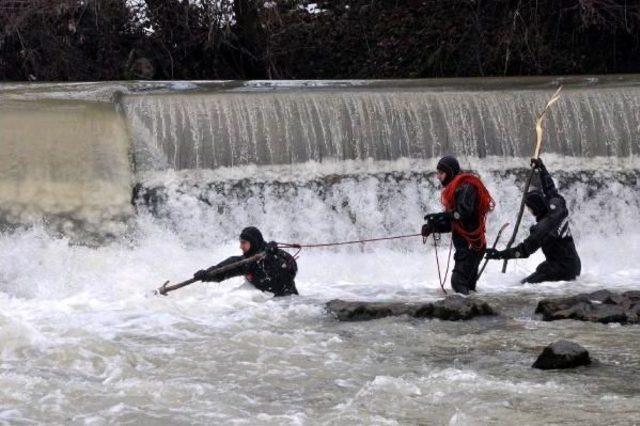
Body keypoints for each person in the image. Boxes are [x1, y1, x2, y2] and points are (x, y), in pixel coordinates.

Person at [485, 158, 581, 283]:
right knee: (541, 269)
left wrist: (499, 255)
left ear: (535, 209)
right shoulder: (558, 206)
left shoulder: (542, 229)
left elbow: (523, 251)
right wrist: (541, 168)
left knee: (524, 285)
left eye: (529, 208)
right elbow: (550, 189)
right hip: (574, 265)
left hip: (562, 270)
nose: (529, 211)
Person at [421, 156, 494, 294]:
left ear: (450, 172)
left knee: (458, 281)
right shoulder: (457, 188)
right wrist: (433, 227)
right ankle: (474, 311)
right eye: (437, 173)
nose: (438, 177)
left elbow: (463, 213)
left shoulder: (466, 187)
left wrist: (440, 215)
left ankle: (463, 313)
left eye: (440, 173)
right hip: (469, 247)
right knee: (467, 286)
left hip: (471, 247)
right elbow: (453, 222)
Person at [193, 226, 299, 296]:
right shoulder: (245, 263)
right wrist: (206, 274)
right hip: (266, 307)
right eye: (240, 242)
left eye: (243, 243)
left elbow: (292, 270)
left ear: (253, 243)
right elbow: (222, 271)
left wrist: (272, 257)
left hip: (289, 303)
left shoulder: (276, 254)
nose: (240, 246)